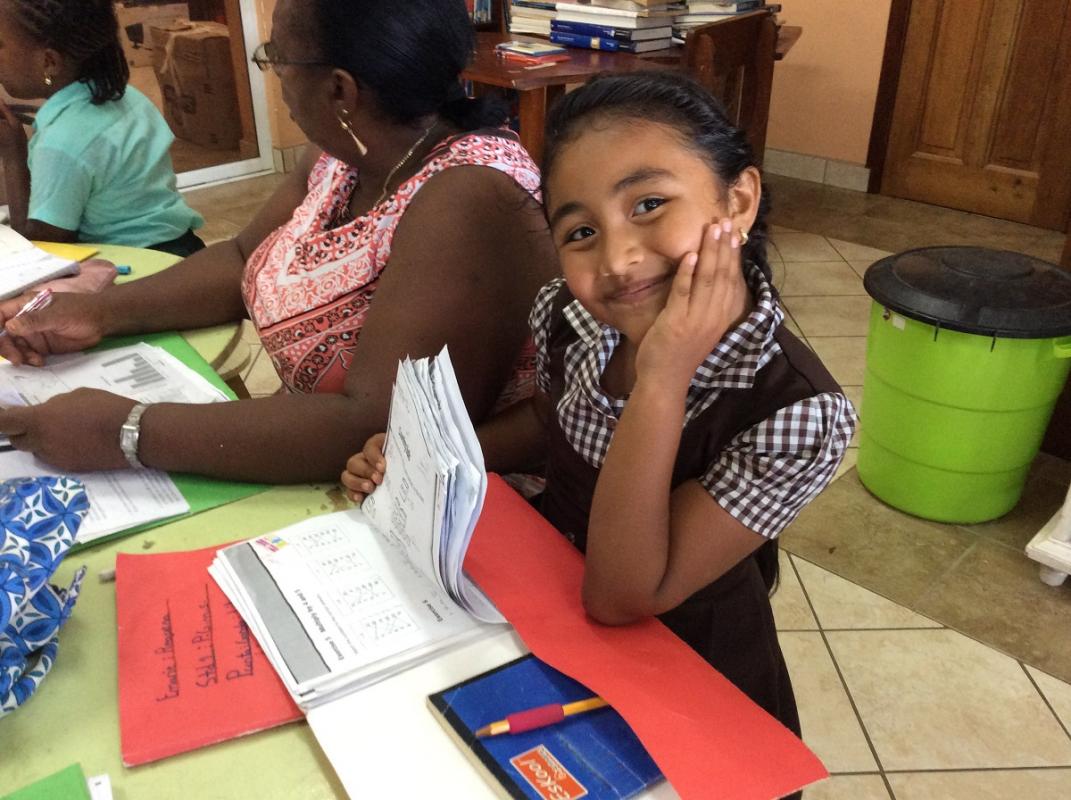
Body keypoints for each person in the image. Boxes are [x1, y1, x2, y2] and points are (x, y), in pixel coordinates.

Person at [343, 72, 857, 768]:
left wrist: (663, 375)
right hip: (549, 607)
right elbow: (553, 420)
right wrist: (430, 460)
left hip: (685, 660)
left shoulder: (800, 414)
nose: (617, 260)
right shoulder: (569, 312)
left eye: (649, 203)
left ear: (736, 199)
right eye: (581, 230)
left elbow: (624, 594)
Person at [0, 0, 557, 484]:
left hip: (447, 497)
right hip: (320, 454)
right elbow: (245, 257)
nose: (274, 76)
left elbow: (375, 423)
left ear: (340, 88)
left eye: (276, 59)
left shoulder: (467, 198)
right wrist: (99, 313)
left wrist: (126, 431)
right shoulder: (346, 156)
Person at [0, 0, 205, 255]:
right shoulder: (129, 97)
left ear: (49, 62)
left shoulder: (62, 141)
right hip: (184, 250)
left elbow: (41, 250)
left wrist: (12, 154)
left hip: (140, 271)